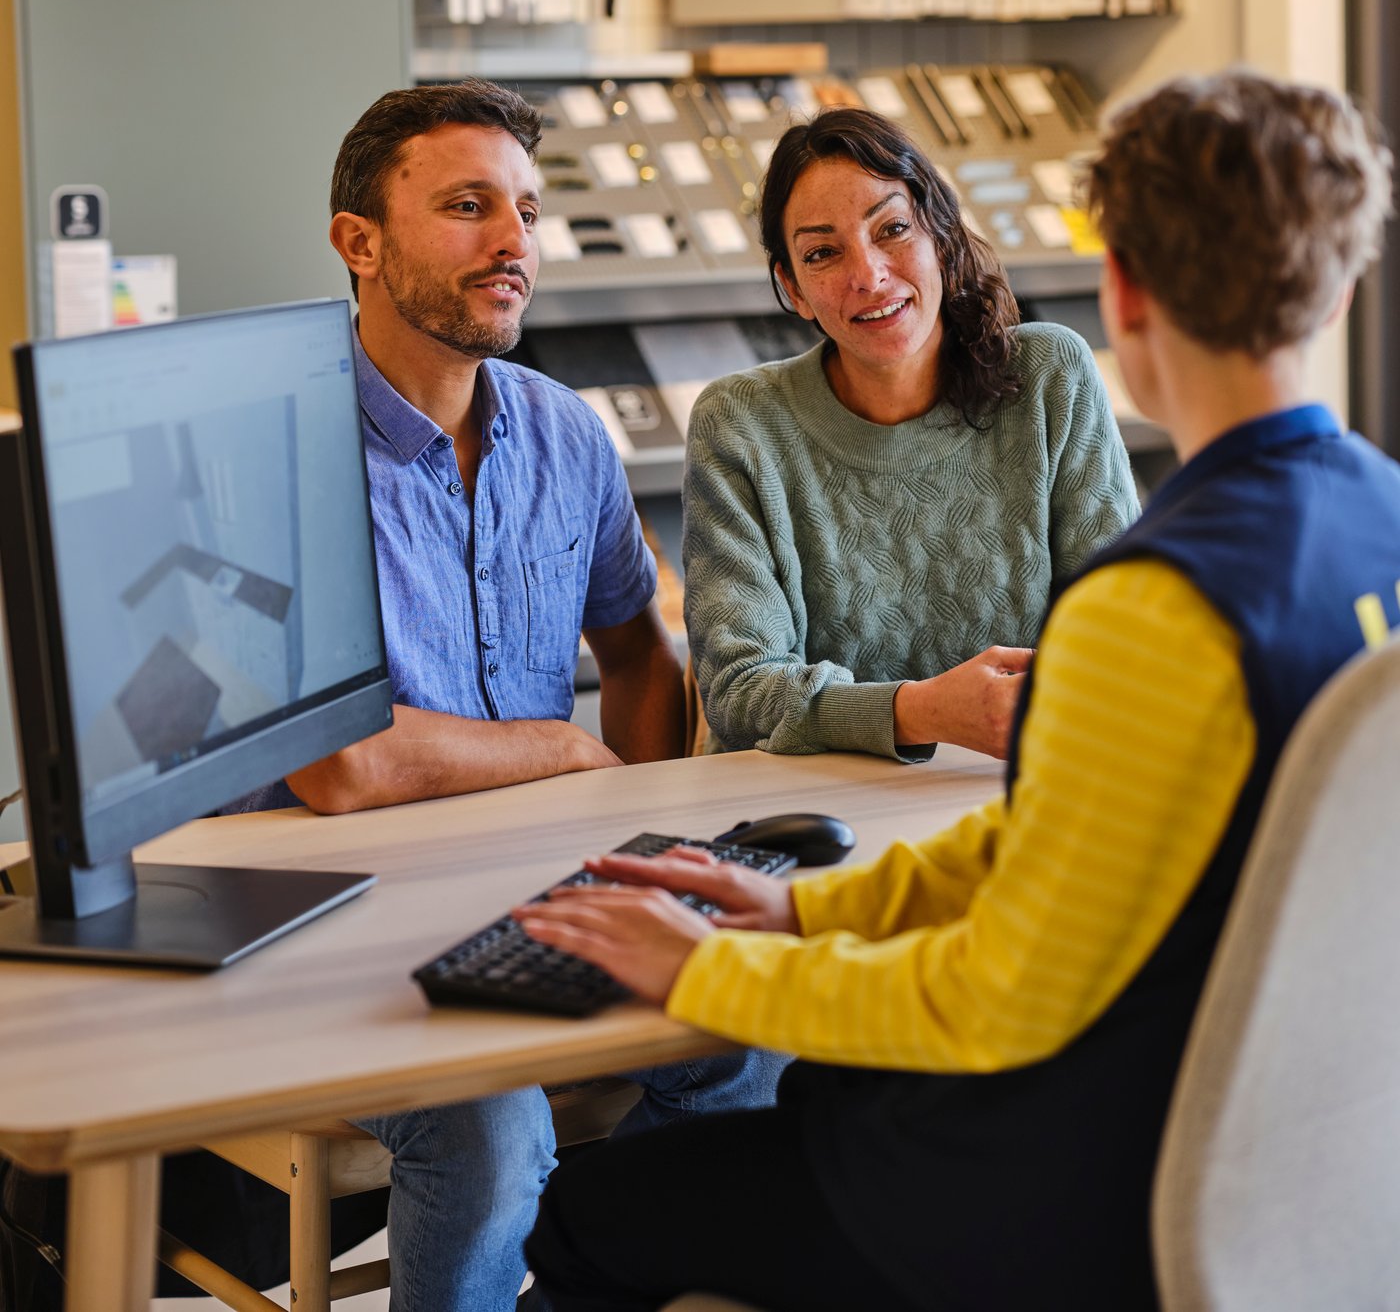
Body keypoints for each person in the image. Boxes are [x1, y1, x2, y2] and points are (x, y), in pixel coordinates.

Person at [518, 71, 1400, 1312]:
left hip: (1072, 1188)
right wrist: (806, 918)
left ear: (1124, 290)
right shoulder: (1384, 529)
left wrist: (702, 972)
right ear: (1339, 281)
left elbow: (991, 996)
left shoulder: (1150, 608)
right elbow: (1059, 836)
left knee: (592, 1211)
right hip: (1294, 1165)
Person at [229, 81, 781, 1312]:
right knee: (486, 1134)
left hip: (530, 894)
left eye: (526, 211)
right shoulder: (279, 446)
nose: (513, 243)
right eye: (468, 207)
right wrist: (565, 757)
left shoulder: (561, 433)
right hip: (328, 925)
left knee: (760, 1039)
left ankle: (573, 1286)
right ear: (356, 242)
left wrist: (639, 844)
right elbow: (342, 765)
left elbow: (640, 656)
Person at [684, 106, 1137, 761]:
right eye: (822, 253)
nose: (867, 275)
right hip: (807, 813)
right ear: (794, 289)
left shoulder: (1050, 378)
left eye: (891, 229)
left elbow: (1119, 633)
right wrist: (923, 713)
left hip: (1013, 794)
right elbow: (738, 690)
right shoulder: (740, 425)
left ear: (942, 236)